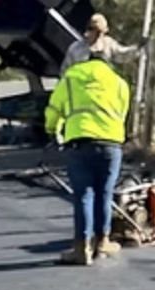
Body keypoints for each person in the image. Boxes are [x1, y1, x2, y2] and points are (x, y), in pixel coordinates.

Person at [44, 50, 131, 265]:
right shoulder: (119, 83)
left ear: (88, 62)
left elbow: (55, 107)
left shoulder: (72, 78)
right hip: (111, 145)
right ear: (108, 65)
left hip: (80, 144)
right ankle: (103, 242)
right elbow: (122, 114)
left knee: (83, 195)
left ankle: (82, 248)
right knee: (105, 194)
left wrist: (51, 129)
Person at [60, 13, 146, 75]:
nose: (96, 36)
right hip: (80, 90)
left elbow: (122, 55)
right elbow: (65, 71)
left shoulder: (108, 44)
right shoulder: (76, 48)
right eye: (91, 30)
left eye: (100, 33)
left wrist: (138, 47)